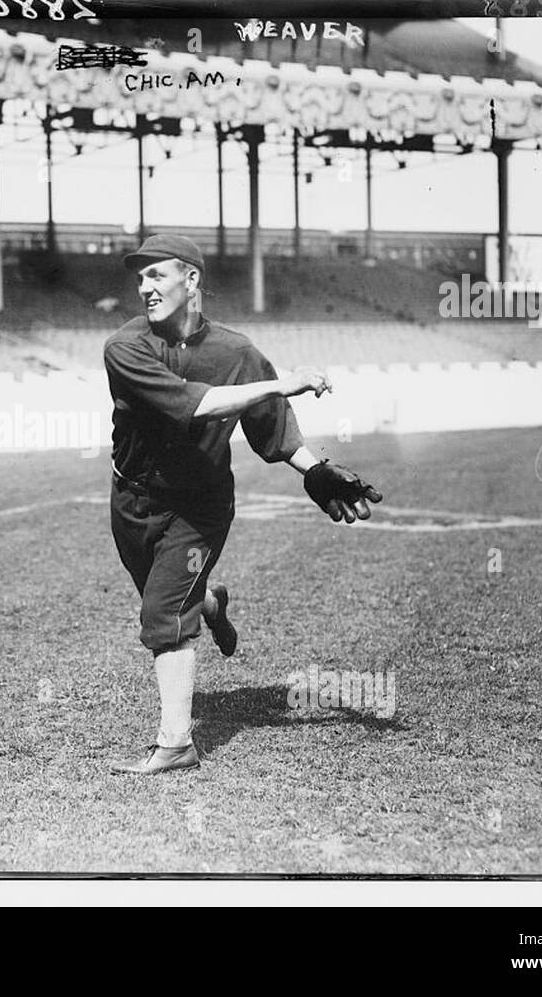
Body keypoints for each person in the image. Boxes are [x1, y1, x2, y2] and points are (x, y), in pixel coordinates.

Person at [104, 234, 382, 775]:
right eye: (139, 279)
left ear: (192, 280)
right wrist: (283, 382)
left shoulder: (236, 351)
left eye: (156, 275)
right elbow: (202, 405)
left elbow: (270, 429)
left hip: (199, 507)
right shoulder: (125, 346)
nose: (144, 288)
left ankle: (176, 743)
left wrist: (317, 470)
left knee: (162, 612)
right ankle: (209, 601)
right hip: (131, 501)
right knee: (172, 599)